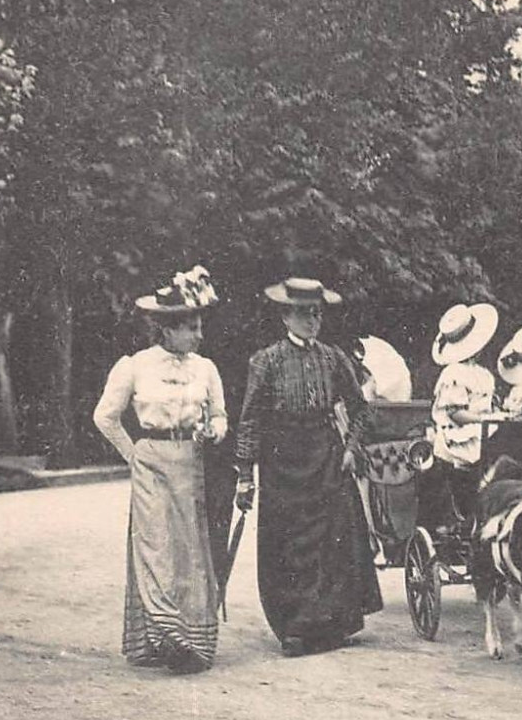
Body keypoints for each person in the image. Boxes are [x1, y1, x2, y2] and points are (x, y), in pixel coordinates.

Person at [232, 277, 383, 657]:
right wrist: (247, 476)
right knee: (288, 544)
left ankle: (328, 624)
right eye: (303, 314)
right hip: (281, 459)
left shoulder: (333, 358)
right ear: (286, 316)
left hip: (326, 454)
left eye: (316, 314)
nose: (312, 321)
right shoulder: (265, 361)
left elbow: (361, 410)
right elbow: (250, 420)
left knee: (330, 543)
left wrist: (350, 447)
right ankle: (294, 626)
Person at [93, 265, 227, 674]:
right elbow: (105, 416)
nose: (198, 335)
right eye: (190, 327)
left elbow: (220, 415)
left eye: (199, 326)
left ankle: (194, 640)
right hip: (151, 461)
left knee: (190, 549)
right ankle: (166, 635)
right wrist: (134, 455)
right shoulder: (134, 366)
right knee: (156, 547)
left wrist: (215, 430)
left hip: (191, 461)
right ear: (167, 329)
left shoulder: (206, 368)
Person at [420, 302, 500, 534]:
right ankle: (466, 516)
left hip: (483, 426)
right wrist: (484, 420)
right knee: (481, 448)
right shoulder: (453, 374)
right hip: (460, 432)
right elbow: (455, 414)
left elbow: (488, 403)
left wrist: (495, 414)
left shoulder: (482, 373)